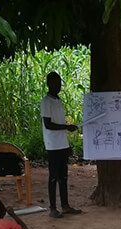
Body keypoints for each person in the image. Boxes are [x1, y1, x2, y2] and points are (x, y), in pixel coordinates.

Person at [41, 71, 81, 219]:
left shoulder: (58, 100)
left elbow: (59, 123)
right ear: (49, 84)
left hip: (61, 143)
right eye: (55, 83)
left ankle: (65, 205)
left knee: (63, 177)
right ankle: (52, 208)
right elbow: (48, 124)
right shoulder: (46, 102)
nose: (58, 86)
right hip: (52, 145)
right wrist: (66, 127)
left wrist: (67, 143)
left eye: (59, 83)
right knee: (53, 177)